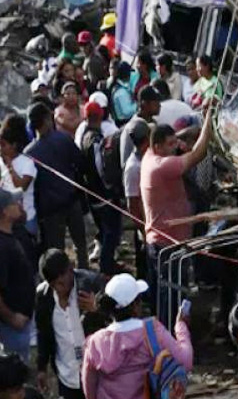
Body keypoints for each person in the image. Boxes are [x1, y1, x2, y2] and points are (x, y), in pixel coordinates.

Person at [82, 273, 193, 399]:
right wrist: (181, 326)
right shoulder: (152, 330)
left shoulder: (95, 342)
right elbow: (185, 361)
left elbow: (89, 391)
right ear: (135, 306)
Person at [141, 105, 213, 321]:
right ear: (158, 146)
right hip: (167, 245)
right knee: (171, 300)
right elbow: (198, 154)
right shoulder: (162, 166)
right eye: (170, 145)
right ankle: (171, 343)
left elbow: (177, 139)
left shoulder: (150, 155)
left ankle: (170, 337)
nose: (176, 147)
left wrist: (190, 131)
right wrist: (209, 119)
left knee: (169, 295)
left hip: (162, 242)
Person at [35, 249, 105, 399]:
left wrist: (97, 308)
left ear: (70, 270)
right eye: (55, 284)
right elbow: (44, 333)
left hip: (97, 373)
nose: (61, 288)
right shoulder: (44, 296)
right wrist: (41, 367)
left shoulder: (91, 284)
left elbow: (119, 320)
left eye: (63, 281)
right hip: (67, 375)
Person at [25, 103, 89, 269]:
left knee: (56, 250)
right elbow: (81, 163)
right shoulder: (63, 139)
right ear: (47, 120)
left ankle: (61, 278)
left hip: (49, 208)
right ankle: (84, 273)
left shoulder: (29, 153)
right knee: (80, 244)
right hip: (70, 200)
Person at [0, 188, 35, 362]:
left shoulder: (0, 234)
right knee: (16, 371)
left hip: (18, 321)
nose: (19, 204)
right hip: (12, 326)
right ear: (4, 211)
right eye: (14, 202)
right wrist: (12, 318)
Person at [80, 101, 123, 275]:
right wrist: (110, 187)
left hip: (92, 192)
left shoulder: (84, 135)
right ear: (100, 116)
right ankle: (106, 266)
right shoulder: (95, 139)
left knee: (106, 230)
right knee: (111, 232)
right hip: (102, 194)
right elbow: (100, 167)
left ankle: (108, 263)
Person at [0, 116, 38, 237]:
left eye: (3, 145)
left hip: (26, 219)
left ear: (14, 145)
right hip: (7, 220)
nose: (0, 149)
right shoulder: (0, 161)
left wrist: (10, 168)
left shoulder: (27, 163)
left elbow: (21, 187)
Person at [123, 120, 150, 280]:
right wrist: (143, 229)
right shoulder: (133, 167)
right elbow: (132, 204)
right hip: (144, 225)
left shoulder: (146, 158)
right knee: (146, 266)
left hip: (150, 221)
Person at [119, 85, 161, 168]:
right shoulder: (136, 125)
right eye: (155, 102)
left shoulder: (152, 121)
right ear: (144, 104)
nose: (159, 105)